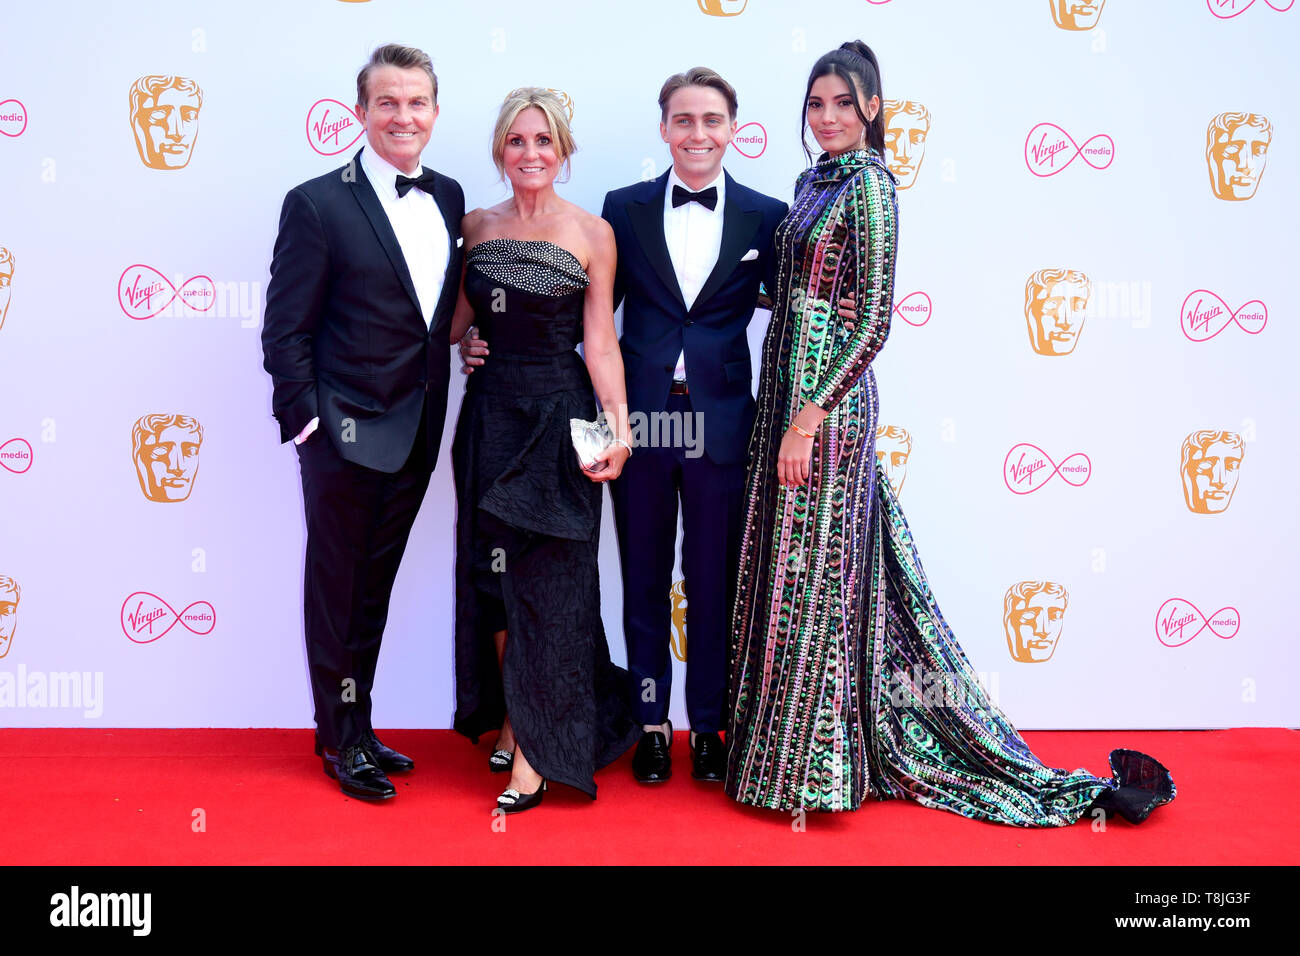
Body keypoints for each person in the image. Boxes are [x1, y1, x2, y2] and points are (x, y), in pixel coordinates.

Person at [726, 40, 1176, 826]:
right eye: (815, 104)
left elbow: (871, 323)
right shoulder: (810, 181)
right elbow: (793, 289)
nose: (827, 117)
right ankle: (779, 758)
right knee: (787, 570)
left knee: (818, 576)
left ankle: (817, 771)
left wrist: (806, 419)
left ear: (871, 107)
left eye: (842, 103)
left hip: (824, 416)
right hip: (781, 404)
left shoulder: (871, 187)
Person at [261, 44, 464, 801]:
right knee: (338, 587)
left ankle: (356, 724)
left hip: (417, 427)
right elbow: (285, 331)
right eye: (388, 102)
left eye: (416, 103)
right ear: (361, 112)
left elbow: (430, 315)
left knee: (373, 589)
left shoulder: (446, 195)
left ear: (435, 113)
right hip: (342, 432)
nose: (403, 116)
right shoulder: (316, 203)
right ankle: (341, 740)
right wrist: (308, 422)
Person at [449, 88, 639, 814]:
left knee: (556, 586)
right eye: (517, 141)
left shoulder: (592, 233)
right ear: (500, 149)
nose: (531, 153)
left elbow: (600, 341)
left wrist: (619, 427)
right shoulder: (473, 228)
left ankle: (534, 750)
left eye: (544, 141)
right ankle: (510, 716)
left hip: (563, 419)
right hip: (492, 418)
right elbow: (454, 323)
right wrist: (466, 341)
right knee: (494, 584)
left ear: (564, 150)